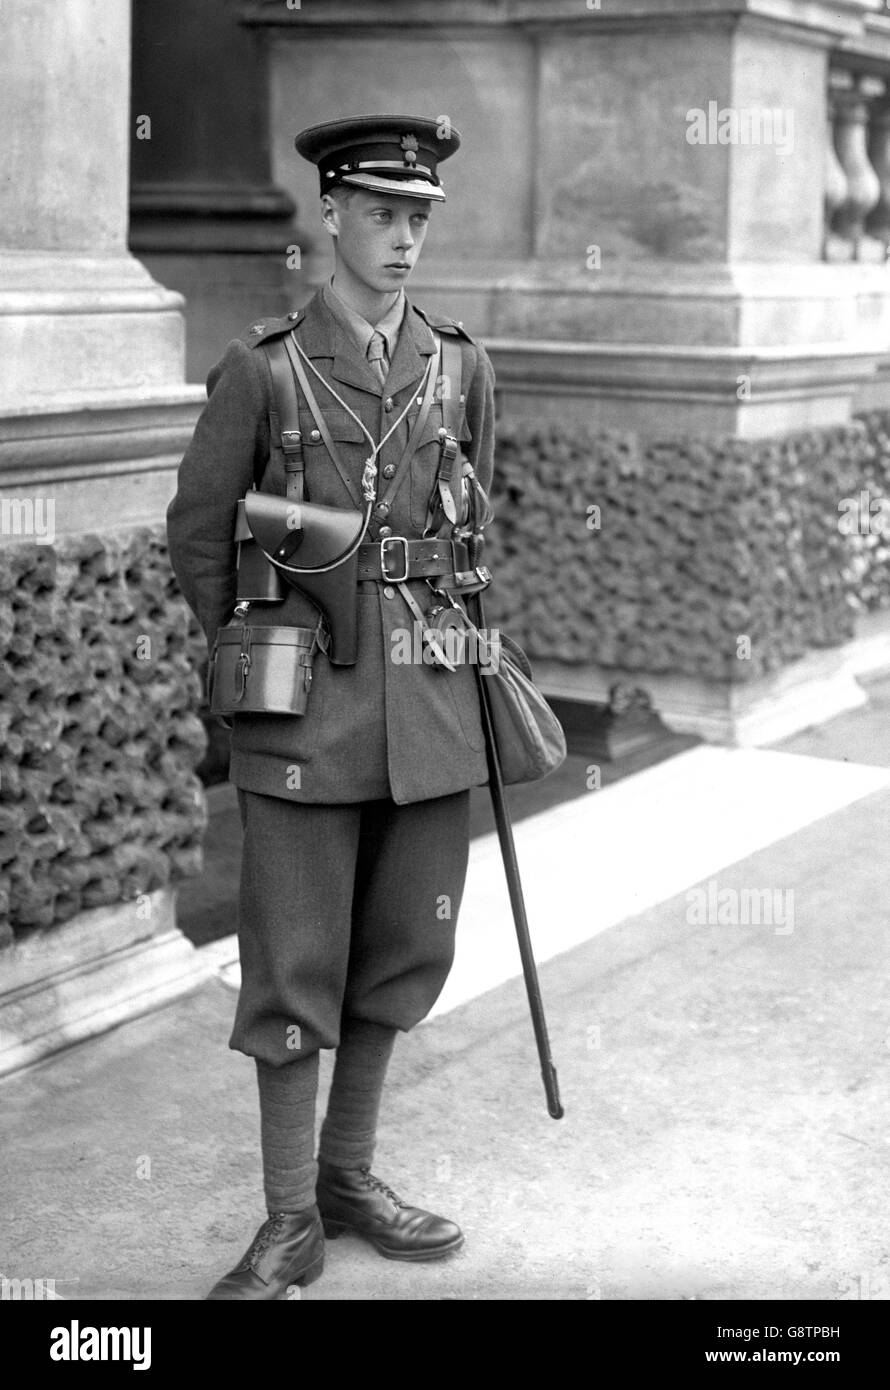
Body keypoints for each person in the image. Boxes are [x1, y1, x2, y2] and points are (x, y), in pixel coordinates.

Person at [165, 114, 497, 1300]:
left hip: (431, 707)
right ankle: (288, 1219)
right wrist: (252, 655)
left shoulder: (459, 364)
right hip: (302, 710)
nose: (402, 241)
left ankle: (349, 1174)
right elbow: (200, 534)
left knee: (406, 948)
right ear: (332, 217)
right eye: (381, 216)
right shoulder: (262, 368)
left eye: (417, 219)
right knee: (293, 962)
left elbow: (474, 520)